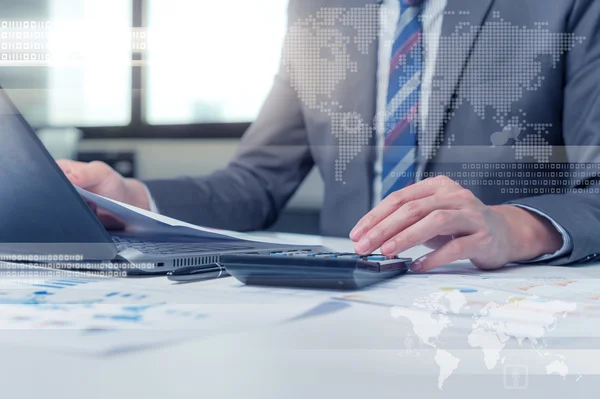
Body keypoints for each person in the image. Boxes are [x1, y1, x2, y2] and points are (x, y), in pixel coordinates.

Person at [58, 0, 600, 273]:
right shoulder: (320, 10)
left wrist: (513, 227)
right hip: (346, 300)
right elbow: (256, 182)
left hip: (500, 306)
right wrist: (135, 200)